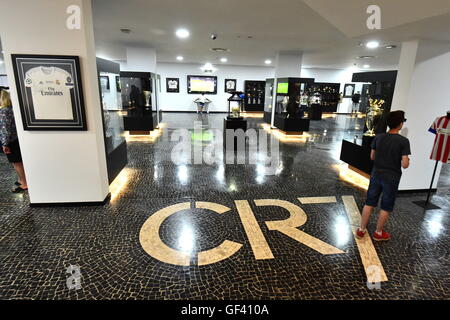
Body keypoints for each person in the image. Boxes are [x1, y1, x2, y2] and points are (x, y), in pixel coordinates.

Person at [357, 111, 411, 241]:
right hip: (392, 177)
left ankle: (361, 230)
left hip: (376, 173)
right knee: (386, 205)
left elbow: (372, 157)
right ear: (400, 124)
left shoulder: (379, 137)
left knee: (369, 202)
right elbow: (405, 164)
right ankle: (378, 233)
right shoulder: (403, 141)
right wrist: (406, 160)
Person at [0, 89, 28, 192]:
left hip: (10, 141)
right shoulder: (10, 108)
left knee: (16, 162)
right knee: (18, 161)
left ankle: (24, 183)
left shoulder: (3, 111)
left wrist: (4, 144)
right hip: (15, 139)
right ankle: (22, 180)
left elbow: (5, 129)